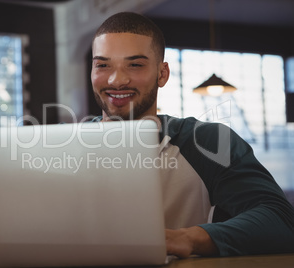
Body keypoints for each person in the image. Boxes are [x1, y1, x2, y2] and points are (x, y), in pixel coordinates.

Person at [90, 12, 294, 258]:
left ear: (162, 74)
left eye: (135, 64)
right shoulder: (60, 145)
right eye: (103, 65)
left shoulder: (205, 141)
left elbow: (280, 219)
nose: (116, 79)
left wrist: (188, 238)